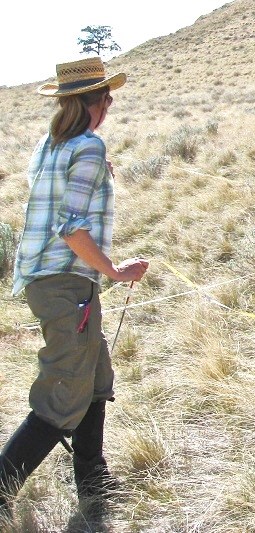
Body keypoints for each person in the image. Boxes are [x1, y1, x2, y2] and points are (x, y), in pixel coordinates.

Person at [0, 57, 149, 517]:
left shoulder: (50, 145)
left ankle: (92, 480)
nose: (110, 106)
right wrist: (116, 270)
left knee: (95, 380)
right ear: (97, 102)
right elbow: (70, 228)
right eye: (108, 98)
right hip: (66, 284)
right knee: (64, 388)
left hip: (56, 282)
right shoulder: (86, 146)